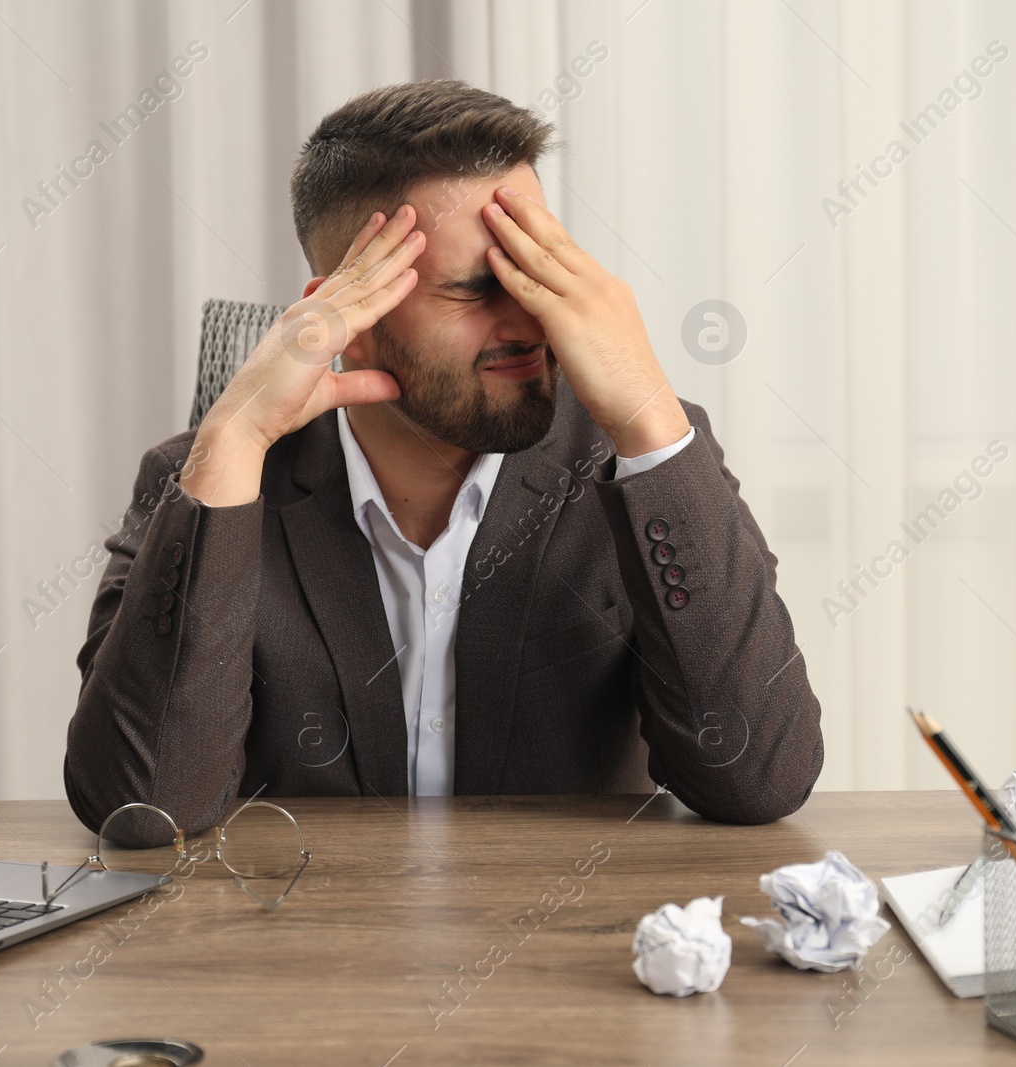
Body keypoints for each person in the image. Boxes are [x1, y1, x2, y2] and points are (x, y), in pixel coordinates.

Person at [64, 79, 822, 834]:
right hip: (307, 945)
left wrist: (647, 409)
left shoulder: (642, 462)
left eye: (544, 272)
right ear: (346, 318)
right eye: (478, 290)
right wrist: (230, 442)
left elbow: (758, 781)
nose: (533, 320)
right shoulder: (203, 483)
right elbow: (144, 809)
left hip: (566, 941)